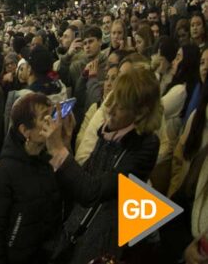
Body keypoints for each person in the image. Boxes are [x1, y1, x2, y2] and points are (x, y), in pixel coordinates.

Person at [46, 68, 161, 264]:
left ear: (140, 113)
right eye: (113, 97)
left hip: (102, 246)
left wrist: (58, 150)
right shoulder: (108, 132)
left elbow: (93, 192)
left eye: (121, 105)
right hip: (76, 232)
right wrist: (66, 143)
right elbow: (84, 179)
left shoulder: (145, 145)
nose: (110, 107)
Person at [0, 92, 62, 264]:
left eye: (51, 115)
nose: (52, 123)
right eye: (44, 118)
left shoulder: (48, 162)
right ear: (25, 131)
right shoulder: (4, 171)